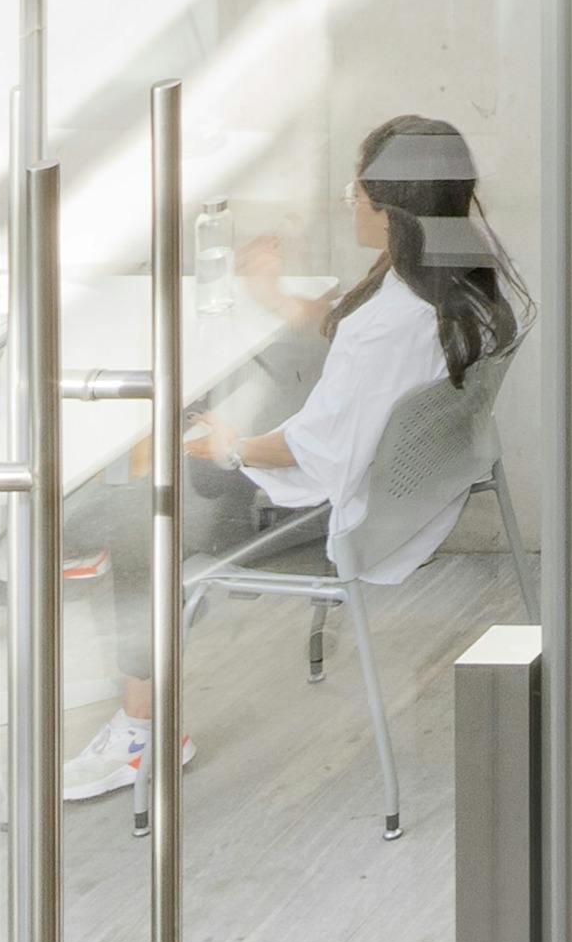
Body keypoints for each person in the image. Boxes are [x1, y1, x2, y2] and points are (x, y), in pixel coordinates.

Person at [70, 112, 529, 807]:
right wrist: (276, 297)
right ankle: (117, 606)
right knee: (178, 444)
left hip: (335, 520)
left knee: (128, 513)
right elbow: (350, 327)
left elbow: (310, 450)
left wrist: (226, 443)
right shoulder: (460, 280)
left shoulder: (387, 323)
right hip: (416, 494)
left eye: (359, 189)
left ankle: (140, 730)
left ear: (391, 209)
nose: (349, 198)